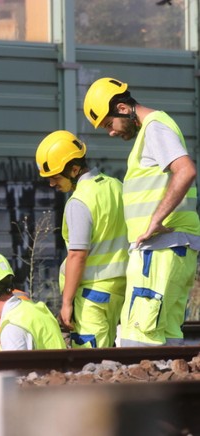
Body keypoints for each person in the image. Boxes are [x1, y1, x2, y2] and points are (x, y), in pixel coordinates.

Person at [84, 77, 200, 346]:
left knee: (138, 337)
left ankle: (136, 389)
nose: (111, 132)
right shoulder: (154, 130)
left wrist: (156, 219)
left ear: (123, 108)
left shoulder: (155, 128)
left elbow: (186, 170)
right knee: (166, 337)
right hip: (172, 248)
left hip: (159, 249)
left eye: (108, 124)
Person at [35, 130, 128, 348]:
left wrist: (66, 303)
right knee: (110, 357)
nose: (52, 184)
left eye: (56, 177)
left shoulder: (79, 202)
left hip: (92, 295)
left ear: (74, 169)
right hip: (119, 288)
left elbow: (77, 255)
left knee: (90, 359)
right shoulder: (117, 186)